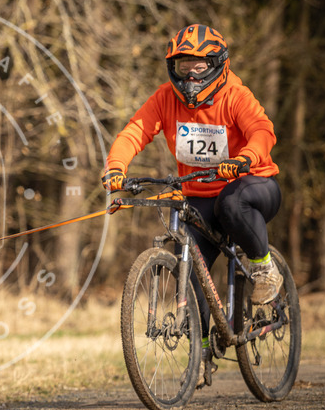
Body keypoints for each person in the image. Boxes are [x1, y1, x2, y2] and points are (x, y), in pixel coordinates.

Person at [101, 24, 282, 385]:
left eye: (198, 67)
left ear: (217, 65)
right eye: (183, 67)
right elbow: (134, 132)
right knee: (190, 261)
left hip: (253, 187)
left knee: (231, 202)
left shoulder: (235, 95)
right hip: (199, 197)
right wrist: (116, 169)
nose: (190, 76)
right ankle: (201, 351)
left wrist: (245, 158)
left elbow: (263, 131)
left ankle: (264, 268)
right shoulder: (165, 98)